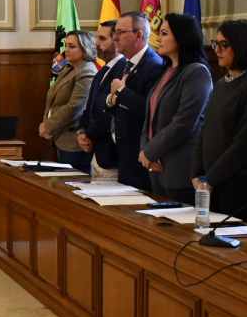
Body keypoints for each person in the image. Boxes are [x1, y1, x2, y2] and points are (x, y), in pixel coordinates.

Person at [192, 21, 247, 222]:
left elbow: (246, 144)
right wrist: (196, 172)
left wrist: (210, 179)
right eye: (216, 44)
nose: (218, 51)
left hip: (241, 185)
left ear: (242, 46)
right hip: (212, 183)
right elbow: (204, 129)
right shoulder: (222, 83)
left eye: (225, 45)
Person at [137, 13, 213, 204]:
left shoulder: (197, 72)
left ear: (181, 37)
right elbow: (149, 118)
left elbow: (184, 122)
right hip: (155, 165)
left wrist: (150, 151)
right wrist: (146, 152)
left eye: (164, 33)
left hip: (180, 167)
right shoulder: (166, 71)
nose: (158, 39)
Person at [106, 12, 166, 190]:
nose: (115, 38)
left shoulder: (154, 65)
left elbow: (150, 109)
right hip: (122, 151)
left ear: (139, 35)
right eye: (115, 32)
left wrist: (121, 91)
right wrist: (111, 100)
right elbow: (116, 100)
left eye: (121, 32)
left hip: (140, 153)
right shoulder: (125, 63)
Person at [40, 31, 97, 172]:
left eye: (72, 46)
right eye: (66, 46)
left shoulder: (86, 71)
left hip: (74, 141)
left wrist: (49, 125)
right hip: (61, 136)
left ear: (85, 48)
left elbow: (75, 107)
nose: (66, 50)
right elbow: (53, 99)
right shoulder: (69, 68)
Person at [76, 20, 127, 179]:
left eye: (102, 39)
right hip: (97, 153)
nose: (96, 43)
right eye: (97, 38)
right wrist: (82, 132)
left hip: (111, 155)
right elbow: (90, 107)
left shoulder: (123, 68)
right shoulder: (102, 70)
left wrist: (90, 134)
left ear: (117, 41)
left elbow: (109, 113)